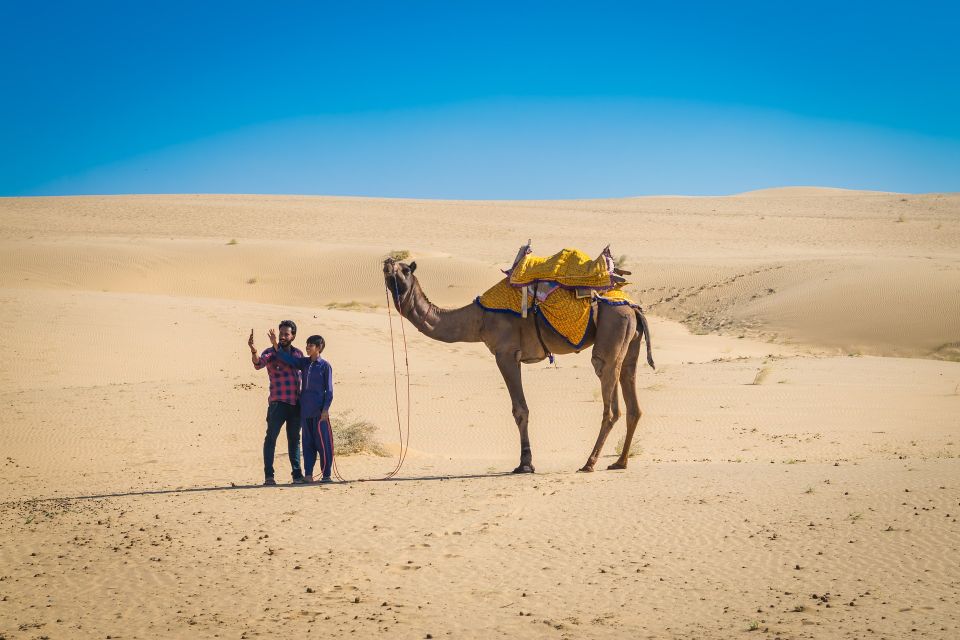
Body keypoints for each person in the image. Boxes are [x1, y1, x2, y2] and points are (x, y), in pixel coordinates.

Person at [269, 329, 335, 484]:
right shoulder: (304, 363)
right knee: (307, 445)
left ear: (319, 347)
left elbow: (329, 390)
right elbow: (288, 359)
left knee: (323, 444)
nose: (307, 347)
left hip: (320, 413)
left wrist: (326, 409)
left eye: (310, 345)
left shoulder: (325, 366)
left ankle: (326, 475)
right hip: (305, 412)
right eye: (307, 345)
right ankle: (309, 475)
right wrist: (274, 344)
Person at [249, 320, 306, 485]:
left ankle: (297, 475)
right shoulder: (270, 353)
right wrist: (253, 352)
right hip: (278, 404)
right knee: (271, 438)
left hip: (296, 404)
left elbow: (295, 364)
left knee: (294, 440)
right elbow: (259, 363)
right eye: (281, 334)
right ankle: (269, 476)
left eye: (286, 334)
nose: (282, 337)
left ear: (293, 336)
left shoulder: (298, 354)